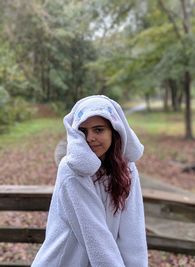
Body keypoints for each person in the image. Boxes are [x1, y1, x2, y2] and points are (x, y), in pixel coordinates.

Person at [31, 95, 148, 267]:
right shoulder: (71, 170)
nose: (90, 138)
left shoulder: (128, 169)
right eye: (83, 131)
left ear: (114, 131)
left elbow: (133, 233)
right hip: (64, 260)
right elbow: (95, 236)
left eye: (98, 130)